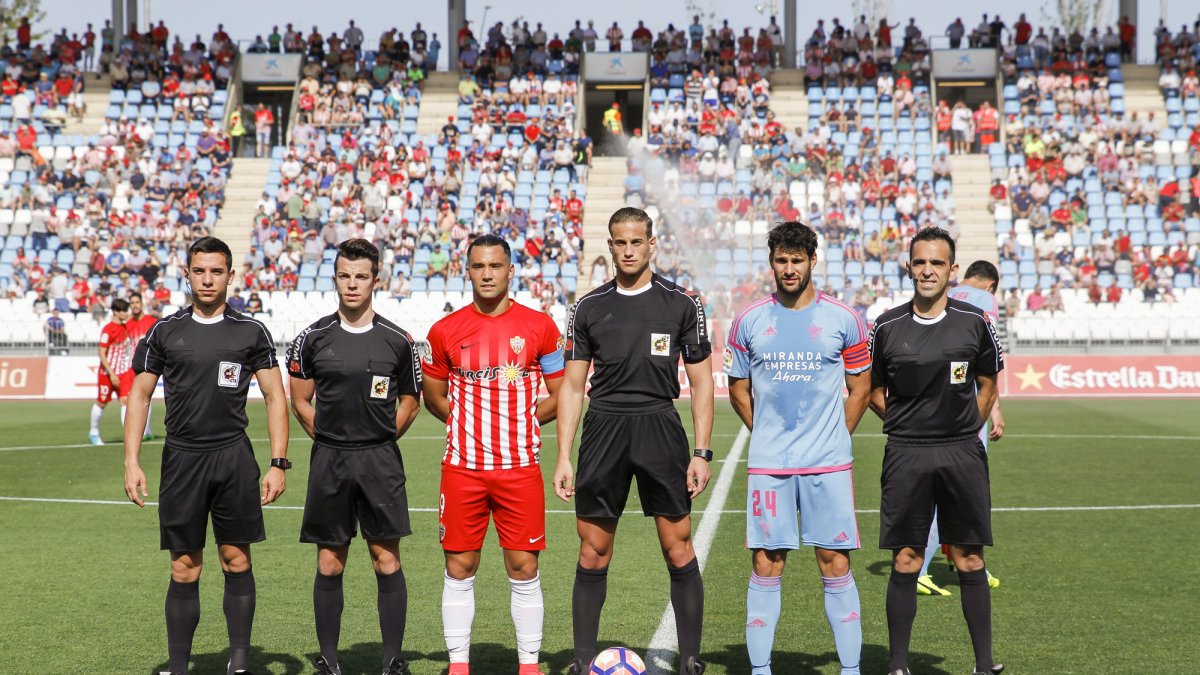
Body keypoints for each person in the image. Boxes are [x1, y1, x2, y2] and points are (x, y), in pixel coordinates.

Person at [554, 207, 714, 675]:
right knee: (593, 549)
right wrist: (563, 455)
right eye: (619, 243)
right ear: (610, 246)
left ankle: (690, 659)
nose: (628, 250)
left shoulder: (682, 303)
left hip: (659, 426)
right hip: (604, 428)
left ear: (651, 245)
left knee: (678, 545)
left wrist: (702, 452)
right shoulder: (587, 306)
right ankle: (584, 661)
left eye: (636, 242)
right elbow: (572, 385)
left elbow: (702, 383)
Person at [122, 236, 290, 675]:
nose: (208, 278)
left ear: (231, 276)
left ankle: (238, 665)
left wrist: (278, 462)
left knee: (237, 559)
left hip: (233, 459)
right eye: (200, 270)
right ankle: (179, 667)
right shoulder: (165, 330)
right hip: (182, 461)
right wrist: (131, 461)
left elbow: (275, 396)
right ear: (188, 273)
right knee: (183, 566)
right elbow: (139, 395)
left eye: (217, 271)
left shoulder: (250, 331)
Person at [726, 222, 872, 675]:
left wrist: (834, 436)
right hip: (771, 465)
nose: (789, 269)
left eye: (797, 260)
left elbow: (861, 388)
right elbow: (737, 390)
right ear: (772, 263)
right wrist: (768, 434)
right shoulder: (749, 320)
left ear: (813, 261)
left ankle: (850, 669)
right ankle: (760, 669)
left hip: (828, 465)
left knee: (833, 559)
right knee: (767, 562)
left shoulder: (844, 319)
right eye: (781, 261)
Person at [423, 234, 565, 675]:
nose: (487, 274)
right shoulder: (444, 330)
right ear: (467, 271)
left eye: (496, 266)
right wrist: (471, 424)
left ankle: (528, 665)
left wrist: (520, 423)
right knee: (460, 565)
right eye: (479, 267)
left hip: (520, 468)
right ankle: (459, 665)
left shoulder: (540, 326)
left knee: (523, 566)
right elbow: (434, 397)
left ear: (510, 271)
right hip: (463, 469)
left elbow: (563, 394)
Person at [867, 228, 1005, 675]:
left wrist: (968, 424)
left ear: (952, 270)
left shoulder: (973, 322)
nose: (928, 270)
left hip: (961, 452)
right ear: (909, 266)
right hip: (906, 453)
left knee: (970, 558)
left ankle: (984, 666)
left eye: (937, 263)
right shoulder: (887, 325)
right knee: (906, 558)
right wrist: (906, 425)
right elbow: (871, 391)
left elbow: (988, 381)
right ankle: (898, 665)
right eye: (920, 262)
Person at [287, 239, 423, 675]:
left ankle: (392, 661)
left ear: (375, 280)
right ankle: (329, 659)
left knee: (387, 558)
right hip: (330, 461)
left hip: (380, 462)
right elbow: (301, 401)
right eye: (345, 276)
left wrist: (381, 438)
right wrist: (327, 438)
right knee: (330, 560)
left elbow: (411, 401)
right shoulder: (312, 337)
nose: (352, 284)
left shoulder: (398, 340)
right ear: (335, 279)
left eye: (361, 276)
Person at [918, 260, 1007, 597]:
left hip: (939, 402)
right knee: (963, 490)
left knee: (943, 488)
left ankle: (961, 563)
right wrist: (995, 408)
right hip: (969, 408)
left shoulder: (944, 294)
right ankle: (933, 566)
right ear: (991, 284)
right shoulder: (985, 301)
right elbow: (987, 357)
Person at [90, 298, 130, 445]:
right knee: (102, 403)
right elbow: (101, 352)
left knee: (125, 401)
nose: (127, 313)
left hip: (123, 372)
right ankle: (93, 432)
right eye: (124, 311)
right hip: (108, 373)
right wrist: (111, 373)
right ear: (116, 312)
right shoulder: (108, 330)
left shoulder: (125, 328)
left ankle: (128, 434)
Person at [125, 292, 159, 441]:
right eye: (132, 303)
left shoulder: (152, 322)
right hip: (131, 365)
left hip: (148, 365)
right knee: (131, 398)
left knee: (146, 395)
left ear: (142, 303)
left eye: (137, 302)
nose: (135, 305)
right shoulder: (127, 324)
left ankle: (147, 429)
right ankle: (140, 431)